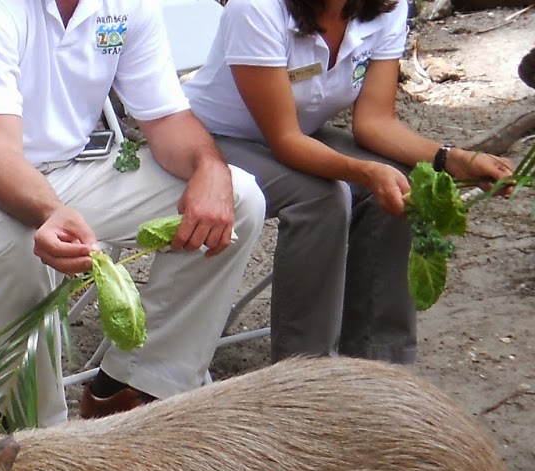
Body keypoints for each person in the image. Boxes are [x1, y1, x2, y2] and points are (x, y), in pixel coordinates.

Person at [0, 0, 267, 423]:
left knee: (240, 197)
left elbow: (167, 119)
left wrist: (210, 167)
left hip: (67, 169)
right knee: (16, 242)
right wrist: (51, 210)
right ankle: (37, 444)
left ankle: (132, 395)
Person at [182, 0, 514, 364]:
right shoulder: (257, 9)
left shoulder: (387, 8)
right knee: (321, 196)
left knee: (397, 184)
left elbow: (375, 122)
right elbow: (286, 140)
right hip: (211, 141)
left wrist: (453, 159)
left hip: (297, 135)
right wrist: (362, 171)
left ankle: (380, 363)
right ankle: (303, 373)